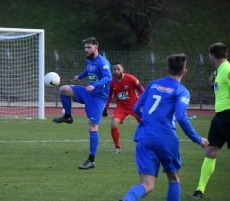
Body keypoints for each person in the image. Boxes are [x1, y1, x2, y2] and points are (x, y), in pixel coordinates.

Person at [119, 54, 209, 201]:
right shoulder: (181, 91)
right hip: (166, 137)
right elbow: (181, 117)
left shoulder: (153, 85)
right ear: (184, 71)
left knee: (147, 184)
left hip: (144, 136)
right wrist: (197, 139)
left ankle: (128, 199)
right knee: (174, 178)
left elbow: (136, 109)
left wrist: (150, 120)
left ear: (167, 69)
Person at [52, 37, 112, 169]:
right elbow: (89, 70)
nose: (86, 50)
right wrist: (80, 76)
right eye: (85, 47)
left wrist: (95, 85)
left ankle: (91, 161)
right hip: (87, 92)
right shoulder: (89, 59)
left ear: (96, 48)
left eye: (89, 47)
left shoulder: (102, 62)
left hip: (98, 98)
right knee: (64, 90)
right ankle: (68, 116)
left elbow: (108, 77)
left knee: (92, 127)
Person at [190, 42, 230, 199]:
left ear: (212, 56)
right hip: (219, 117)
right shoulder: (219, 71)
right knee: (211, 150)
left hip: (228, 115)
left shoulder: (227, 70)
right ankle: (200, 190)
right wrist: (212, 82)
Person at [102, 62, 144, 153]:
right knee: (113, 123)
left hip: (135, 105)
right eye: (114, 69)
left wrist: (145, 102)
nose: (116, 71)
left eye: (118, 69)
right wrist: (105, 107)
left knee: (144, 124)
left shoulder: (131, 79)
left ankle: (146, 145)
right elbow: (109, 96)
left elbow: (142, 91)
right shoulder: (112, 82)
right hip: (121, 107)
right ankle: (117, 147)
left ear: (122, 70)